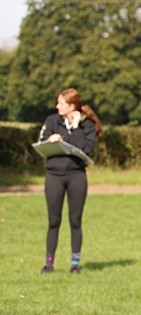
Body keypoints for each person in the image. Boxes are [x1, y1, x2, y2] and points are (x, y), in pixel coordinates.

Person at [37, 88, 101, 274]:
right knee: (53, 221)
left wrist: (74, 129)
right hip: (53, 176)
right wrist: (50, 140)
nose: (57, 106)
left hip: (76, 176)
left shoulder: (87, 126)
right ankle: (49, 264)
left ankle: (75, 265)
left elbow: (85, 149)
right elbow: (40, 143)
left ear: (72, 106)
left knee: (75, 220)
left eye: (61, 103)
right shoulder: (52, 121)